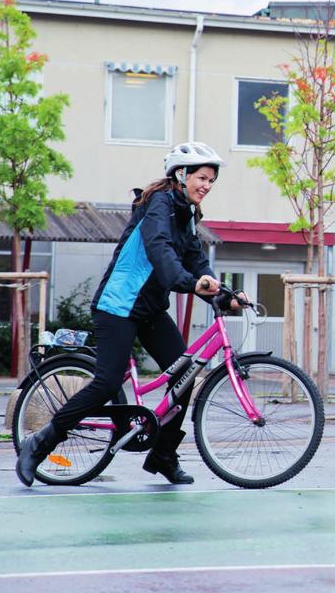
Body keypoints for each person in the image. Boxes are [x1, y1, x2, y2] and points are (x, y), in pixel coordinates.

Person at [16, 141, 244, 486]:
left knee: (185, 376)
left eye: (212, 180)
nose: (207, 186)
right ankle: (41, 442)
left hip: (150, 310)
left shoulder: (187, 216)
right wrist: (187, 283)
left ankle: (163, 456)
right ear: (181, 175)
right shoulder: (159, 204)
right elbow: (159, 250)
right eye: (202, 178)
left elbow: (197, 261)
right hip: (118, 306)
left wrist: (225, 295)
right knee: (107, 381)